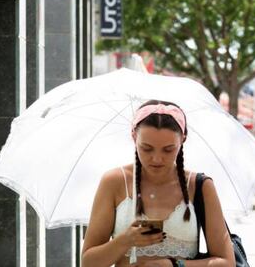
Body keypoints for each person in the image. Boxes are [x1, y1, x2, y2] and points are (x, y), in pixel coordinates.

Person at [82, 100, 236, 267]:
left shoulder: (199, 185)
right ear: (134, 137)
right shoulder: (114, 182)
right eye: (146, 148)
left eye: (168, 149)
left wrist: (173, 265)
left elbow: (227, 262)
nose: (156, 159)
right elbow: (88, 263)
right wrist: (125, 240)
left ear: (183, 140)